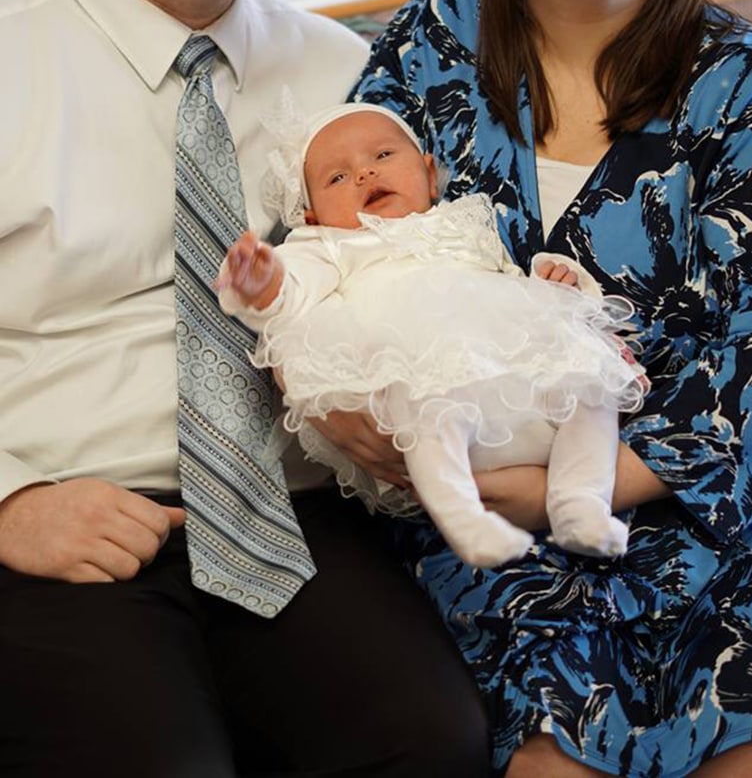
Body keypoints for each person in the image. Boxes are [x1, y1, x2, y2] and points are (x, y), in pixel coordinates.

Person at [0, 0, 490, 778]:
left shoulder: (351, 81)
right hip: (62, 519)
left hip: (293, 516)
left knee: (433, 744)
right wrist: (6, 505)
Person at [349, 0, 752, 777]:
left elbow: (751, 365)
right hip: (478, 533)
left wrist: (582, 485)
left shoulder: (745, 90)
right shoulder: (427, 45)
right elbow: (338, 247)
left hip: (705, 524)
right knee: (550, 757)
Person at [217, 101, 648, 568]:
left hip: (512, 388)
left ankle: (579, 502)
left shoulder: (463, 224)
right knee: (428, 404)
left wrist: (553, 281)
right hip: (430, 387)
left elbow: (509, 283)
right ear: (313, 216)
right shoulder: (329, 246)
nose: (364, 174)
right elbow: (291, 295)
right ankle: (465, 519)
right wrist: (263, 283)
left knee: (591, 386)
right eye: (337, 178)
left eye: (382, 155)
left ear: (428, 174)